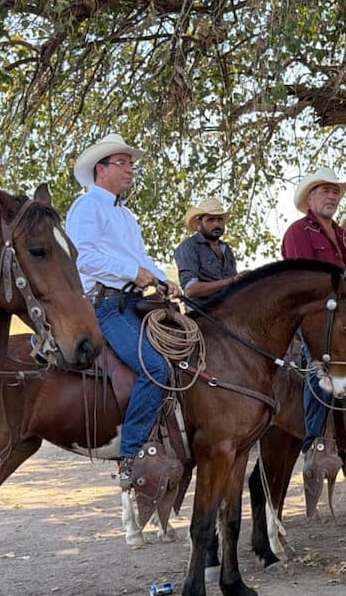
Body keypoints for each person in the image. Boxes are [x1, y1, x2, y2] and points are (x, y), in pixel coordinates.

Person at [66, 133, 176, 489]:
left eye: (131, 163)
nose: (130, 169)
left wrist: (163, 280)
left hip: (132, 302)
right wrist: (135, 273)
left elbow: (140, 260)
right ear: (101, 169)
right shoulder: (87, 207)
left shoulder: (126, 215)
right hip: (104, 305)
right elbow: (82, 256)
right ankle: (131, 453)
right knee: (155, 367)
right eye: (122, 163)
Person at [280, 168, 346, 478]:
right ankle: (313, 441)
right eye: (325, 191)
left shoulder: (341, 234)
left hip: (343, 311)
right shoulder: (299, 231)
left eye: (335, 192)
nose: (332, 196)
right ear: (310, 198)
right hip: (311, 312)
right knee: (320, 364)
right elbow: (304, 280)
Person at [175, 197, 240, 298]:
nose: (216, 224)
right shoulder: (189, 247)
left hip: (232, 307)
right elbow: (190, 290)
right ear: (199, 223)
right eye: (210, 220)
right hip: (203, 309)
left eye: (220, 219)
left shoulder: (226, 248)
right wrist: (232, 281)